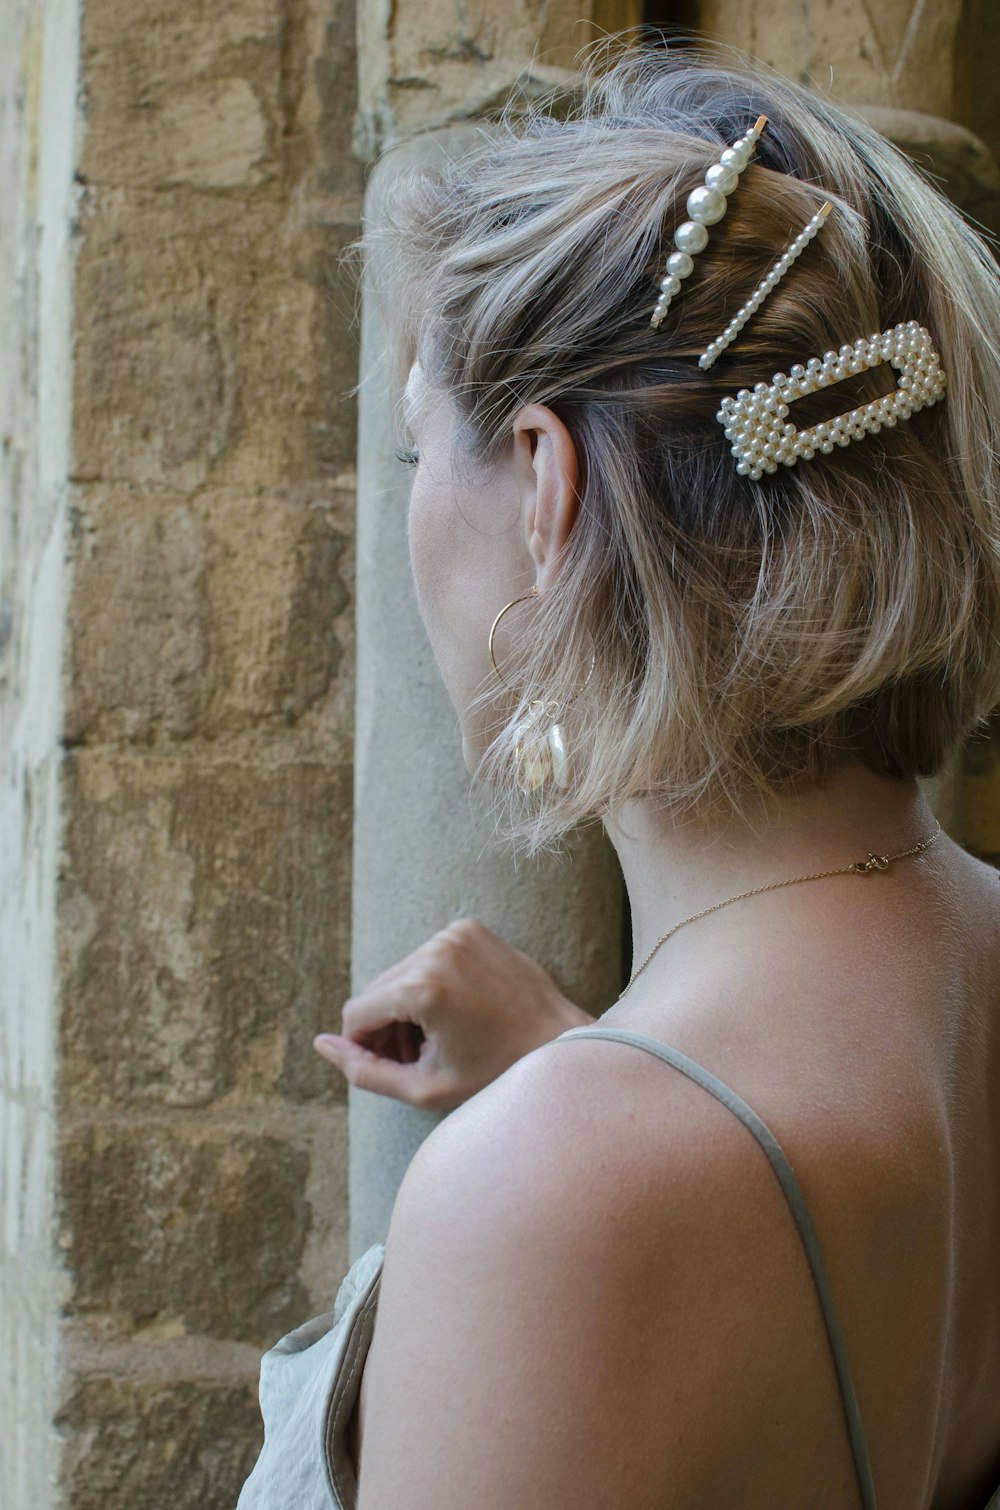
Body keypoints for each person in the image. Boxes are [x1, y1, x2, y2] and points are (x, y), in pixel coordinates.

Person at [238, 43, 1000, 1510]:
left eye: (417, 452)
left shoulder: (549, 1201)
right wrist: (583, 1057)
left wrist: (570, 1120)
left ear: (544, 484)